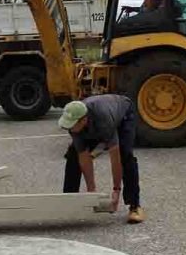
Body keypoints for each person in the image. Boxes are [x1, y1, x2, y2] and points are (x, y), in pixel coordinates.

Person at [59, 95, 145, 223]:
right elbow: (83, 157)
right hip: (97, 119)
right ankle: (70, 201)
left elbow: (115, 158)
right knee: (73, 156)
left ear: (83, 120)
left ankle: (134, 206)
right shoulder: (74, 126)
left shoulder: (103, 120)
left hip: (124, 114)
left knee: (125, 155)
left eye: (72, 125)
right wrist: (91, 191)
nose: (69, 129)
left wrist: (116, 190)